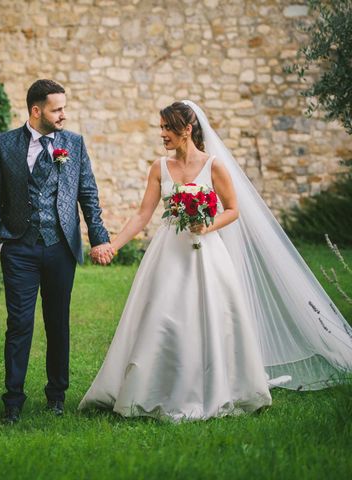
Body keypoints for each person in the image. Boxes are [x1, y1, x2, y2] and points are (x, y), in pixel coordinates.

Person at [79, 101, 352, 421]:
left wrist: (207, 225)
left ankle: (214, 385)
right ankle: (154, 387)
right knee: (162, 316)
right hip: (168, 253)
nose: (163, 134)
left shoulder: (214, 166)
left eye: (168, 128)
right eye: (161, 128)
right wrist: (113, 245)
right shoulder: (159, 168)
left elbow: (233, 209)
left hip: (205, 252)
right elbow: (143, 214)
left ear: (187, 129)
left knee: (209, 315)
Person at [0, 79, 115, 424]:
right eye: (57, 109)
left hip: (60, 248)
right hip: (19, 250)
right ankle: (13, 400)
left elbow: (88, 194)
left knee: (58, 323)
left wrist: (99, 237)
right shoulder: (5, 143)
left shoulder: (74, 144)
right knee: (19, 323)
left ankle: (56, 396)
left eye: (64, 108)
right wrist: (1, 242)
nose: (63, 115)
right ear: (36, 110)